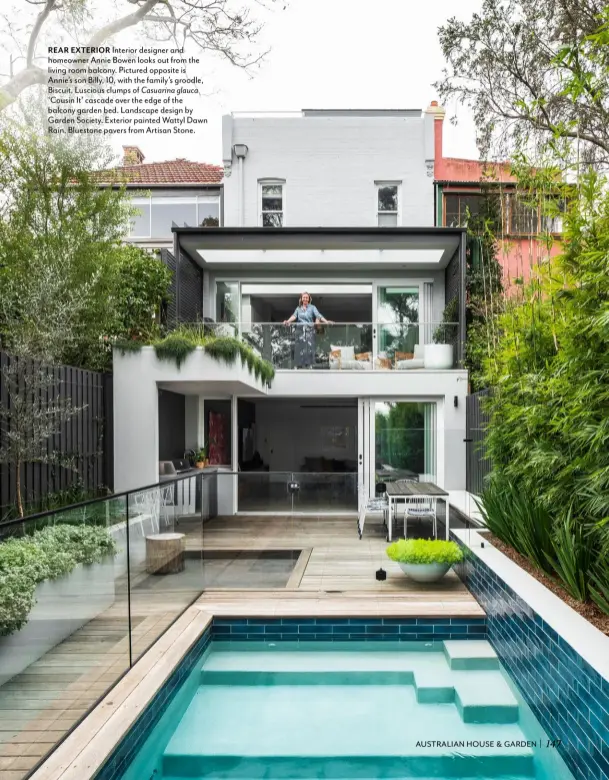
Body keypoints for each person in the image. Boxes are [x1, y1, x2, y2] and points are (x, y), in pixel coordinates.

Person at [283, 292, 333, 368]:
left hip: (309, 329)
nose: (305, 299)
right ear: (301, 299)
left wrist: (326, 321)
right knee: (299, 347)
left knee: (309, 347)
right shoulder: (298, 308)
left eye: (307, 297)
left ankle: (309, 365)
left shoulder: (312, 307)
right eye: (304, 297)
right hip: (300, 329)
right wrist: (288, 321)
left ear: (309, 299)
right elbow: (294, 316)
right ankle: (298, 365)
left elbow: (318, 315)